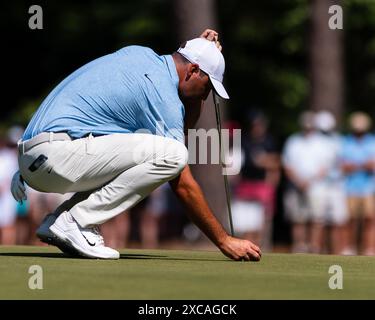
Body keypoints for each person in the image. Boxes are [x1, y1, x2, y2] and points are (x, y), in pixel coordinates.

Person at [10, 29, 261, 261]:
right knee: (174, 155)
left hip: (34, 157)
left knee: (156, 152)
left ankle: (58, 219)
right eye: (207, 87)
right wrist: (223, 240)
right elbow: (181, 180)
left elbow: (181, 122)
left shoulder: (140, 55)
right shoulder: (162, 96)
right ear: (194, 71)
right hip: (55, 156)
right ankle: (76, 220)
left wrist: (200, 51)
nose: (206, 95)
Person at [339, 112, 375, 255]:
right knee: (351, 220)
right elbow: (344, 166)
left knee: (369, 219)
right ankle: (350, 247)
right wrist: (362, 165)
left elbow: (372, 165)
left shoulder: (372, 141)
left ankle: (369, 248)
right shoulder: (346, 142)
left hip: (369, 188)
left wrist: (356, 166)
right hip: (350, 188)